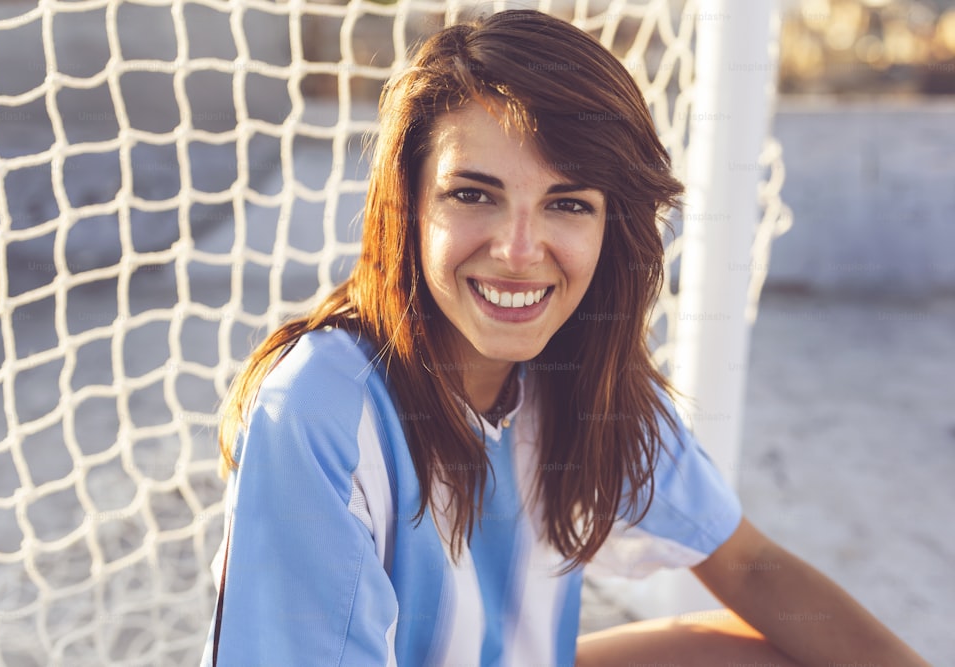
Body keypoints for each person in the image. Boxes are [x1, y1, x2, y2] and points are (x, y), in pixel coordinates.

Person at [202, 10, 928, 666]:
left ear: (610, 230)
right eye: (473, 193)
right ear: (409, 204)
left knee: (754, 653)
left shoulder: (580, 375)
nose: (520, 250)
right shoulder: (317, 410)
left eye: (567, 203)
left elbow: (747, 562)